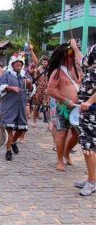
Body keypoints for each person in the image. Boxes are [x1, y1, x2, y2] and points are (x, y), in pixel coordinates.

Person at [47, 42, 82, 171]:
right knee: (62, 133)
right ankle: (60, 160)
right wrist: (66, 100)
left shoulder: (78, 70)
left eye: (72, 55)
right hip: (63, 108)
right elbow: (50, 90)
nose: (71, 58)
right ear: (62, 57)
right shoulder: (57, 72)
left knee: (77, 134)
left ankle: (67, 152)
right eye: (69, 55)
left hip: (77, 109)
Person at [0, 53, 32, 161]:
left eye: (20, 63)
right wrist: (10, 88)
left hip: (21, 105)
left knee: (22, 128)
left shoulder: (25, 75)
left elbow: (31, 89)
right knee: (9, 128)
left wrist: (29, 84)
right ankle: (8, 151)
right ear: (12, 64)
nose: (18, 64)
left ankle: (12, 142)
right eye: (16, 63)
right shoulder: (7, 74)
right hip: (9, 105)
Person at [73, 41, 96, 196]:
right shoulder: (91, 62)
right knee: (88, 147)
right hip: (87, 111)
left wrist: (90, 101)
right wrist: (75, 48)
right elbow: (81, 61)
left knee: (90, 147)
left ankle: (92, 182)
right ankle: (91, 177)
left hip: (92, 111)